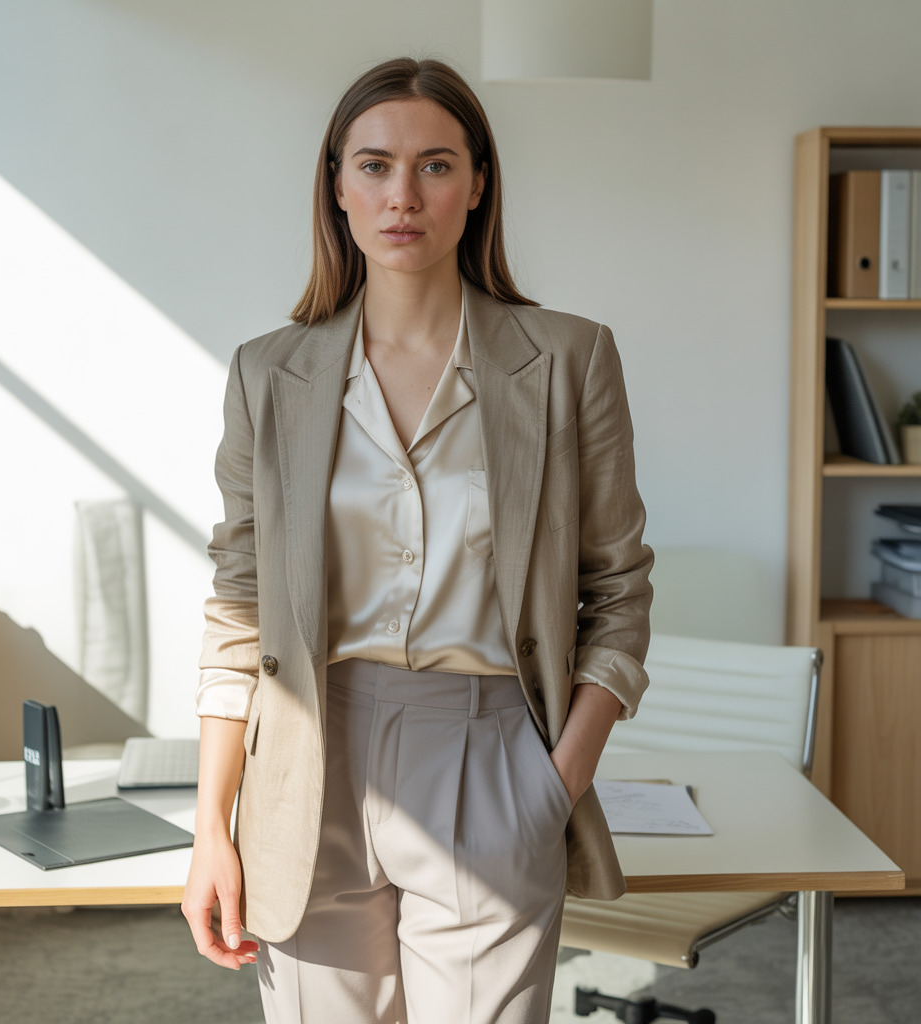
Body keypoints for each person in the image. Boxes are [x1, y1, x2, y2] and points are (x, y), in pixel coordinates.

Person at [182, 56, 653, 1024]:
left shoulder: (566, 357)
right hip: (304, 761)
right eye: (374, 165)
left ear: (477, 186)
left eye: (435, 166)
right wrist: (211, 828)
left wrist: (553, 783)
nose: (403, 194)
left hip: (491, 751)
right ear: (336, 186)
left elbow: (616, 586)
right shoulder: (268, 375)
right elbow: (238, 602)